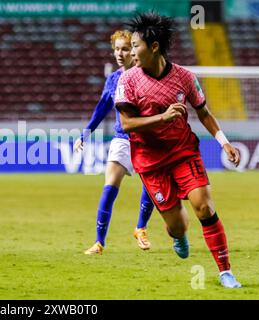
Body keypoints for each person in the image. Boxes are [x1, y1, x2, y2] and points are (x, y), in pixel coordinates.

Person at [115, 12, 242, 288]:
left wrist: (224, 141)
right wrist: (163, 118)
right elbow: (126, 124)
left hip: (183, 152)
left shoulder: (185, 77)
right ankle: (178, 235)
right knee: (177, 226)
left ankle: (225, 271)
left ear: (154, 47)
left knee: (205, 207)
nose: (132, 52)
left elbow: (204, 112)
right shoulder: (128, 81)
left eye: (136, 46)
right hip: (150, 161)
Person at [74, 30, 155, 255]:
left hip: (146, 138)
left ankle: (141, 227)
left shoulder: (147, 75)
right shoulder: (114, 79)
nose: (120, 53)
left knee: (151, 185)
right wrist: (86, 133)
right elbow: (102, 108)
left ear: (134, 50)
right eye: (117, 49)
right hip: (122, 138)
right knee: (109, 187)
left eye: (125, 49)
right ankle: (99, 243)